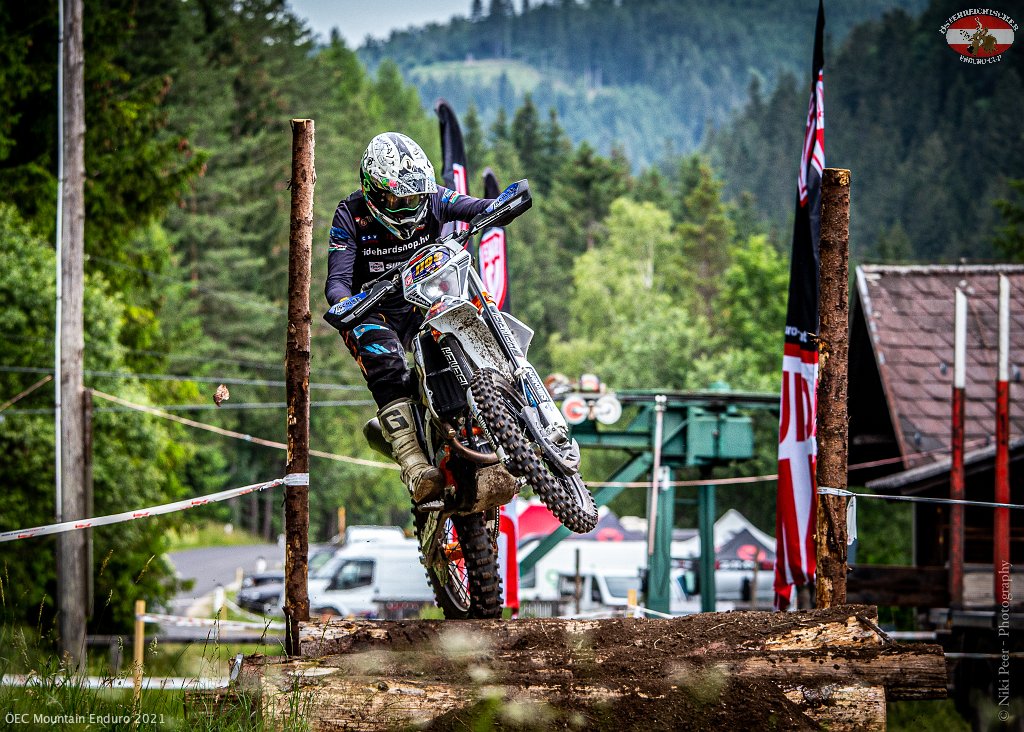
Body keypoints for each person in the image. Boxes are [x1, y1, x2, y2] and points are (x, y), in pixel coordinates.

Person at [325, 132, 493, 504]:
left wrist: (502, 203)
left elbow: (475, 206)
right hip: (374, 308)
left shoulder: (434, 198)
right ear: (374, 192)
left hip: (425, 298)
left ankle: (502, 419)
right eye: (400, 200)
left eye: (415, 197)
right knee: (383, 359)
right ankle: (414, 463)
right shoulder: (350, 215)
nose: (409, 205)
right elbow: (336, 281)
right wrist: (345, 304)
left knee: (469, 317)